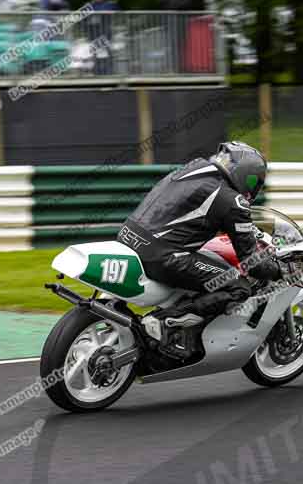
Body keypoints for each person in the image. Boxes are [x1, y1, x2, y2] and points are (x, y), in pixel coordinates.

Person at [117, 142, 282, 347]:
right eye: (253, 180)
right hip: (163, 255)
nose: (252, 187)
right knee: (238, 287)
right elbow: (252, 263)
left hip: (128, 235)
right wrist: (278, 270)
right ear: (242, 173)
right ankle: (162, 321)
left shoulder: (194, 168)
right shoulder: (232, 201)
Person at [86, 0, 119, 75]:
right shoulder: (89, 6)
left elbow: (116, 12)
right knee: (95, 54)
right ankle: (96, 73)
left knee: (108, 53)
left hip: (106, 32)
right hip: (93, 33)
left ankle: (109, 72)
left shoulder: (109, 4)